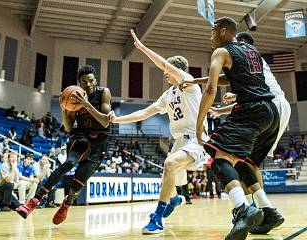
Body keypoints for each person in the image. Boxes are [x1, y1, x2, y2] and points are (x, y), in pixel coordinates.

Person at [185, 17, 280, 240]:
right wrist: (197, 80)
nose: (210, 37)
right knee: (243, 161)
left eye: (212, 32)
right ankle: (268, 212)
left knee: (219, 160)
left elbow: (211, 90)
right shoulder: (251, 50)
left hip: (250, 111)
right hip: (271, 112)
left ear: (224, 31)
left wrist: (199, 125)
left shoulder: (221, 52)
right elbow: (230, 77)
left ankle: (243, 209)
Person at [109, 29, 208, 234]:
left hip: (197, 139)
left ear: (176, 70)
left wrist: (142, 48)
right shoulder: (168, 94)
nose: (164, 72)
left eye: (168, 69)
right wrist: (118, 119)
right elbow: (145, 112)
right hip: (179, 142)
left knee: (169, 164)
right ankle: (174, 200)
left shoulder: (190, 84)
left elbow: (163, 64)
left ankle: (157, 218)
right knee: (168, 175)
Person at [207, 31, 286, 234]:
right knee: (243, 161)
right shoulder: (255, 58)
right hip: (274, 107)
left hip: (268, 103)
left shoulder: (241, 53)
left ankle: (252, 210)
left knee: (232, 160)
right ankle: (266, 210)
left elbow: (222, 82)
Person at [16, 65, 112, 225]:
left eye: (90, 80)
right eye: (84, 81)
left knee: (76, 187)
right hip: (81, 138)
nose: (88, 84)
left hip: (99, 144)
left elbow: (105, 123)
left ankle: (67, 204)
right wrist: (63, 109)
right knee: (68, 163)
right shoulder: (74, 95)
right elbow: (68, 127)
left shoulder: (104, 93)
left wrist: (87, 104)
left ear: (95, 79)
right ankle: (33, 201)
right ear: (79, 83)